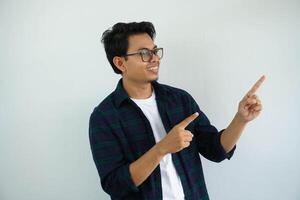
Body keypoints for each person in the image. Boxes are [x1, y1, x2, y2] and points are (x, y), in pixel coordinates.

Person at [89, 21, 265, 200]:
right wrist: (161, 149)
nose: (155, 58)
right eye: (144, 53)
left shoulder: (180, 100)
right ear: (120, 63)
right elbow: (115, 184)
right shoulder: (104, 117)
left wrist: (241, 119)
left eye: (155, 51)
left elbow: (216, 150)